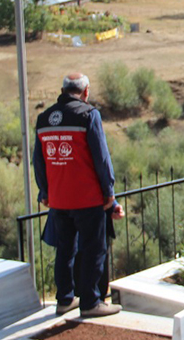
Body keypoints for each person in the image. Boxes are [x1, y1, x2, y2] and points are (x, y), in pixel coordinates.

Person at [34, 72, 124, 318]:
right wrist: (109, 193)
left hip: (59, 200)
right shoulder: (88, 115)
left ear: (62, 91)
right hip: (87, 198)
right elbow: (101, 157)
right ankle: (90, 302)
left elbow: (38, 161)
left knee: (65, 249)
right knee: (94, 249)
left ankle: (64, 300)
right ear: (86, 92)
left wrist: (44, 191)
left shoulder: (44, 119)